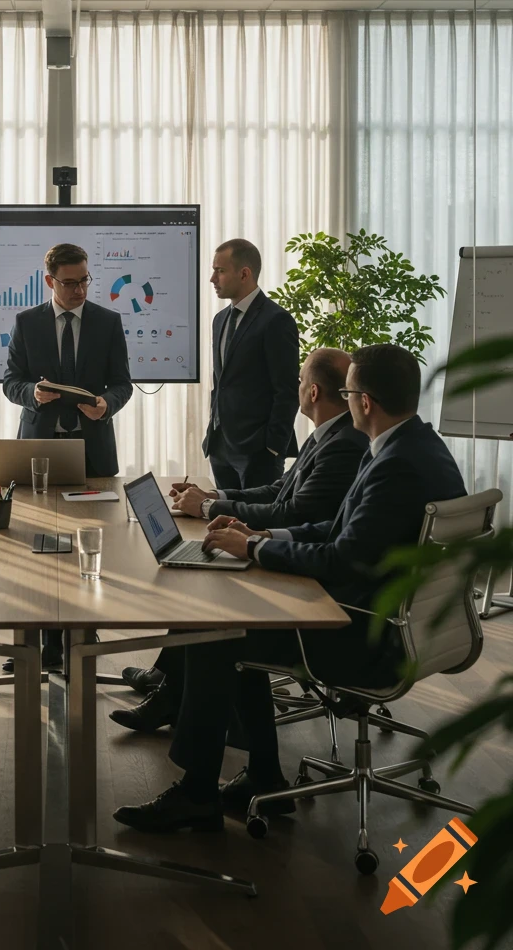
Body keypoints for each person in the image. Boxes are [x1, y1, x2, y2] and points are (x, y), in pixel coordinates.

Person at [113, 344, 466, 833]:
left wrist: (254, 552)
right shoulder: (414, 446)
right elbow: (339, 530)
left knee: (212, 632)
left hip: (365, 632)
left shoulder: (394, 463)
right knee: (230, 622)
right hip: (401, 622)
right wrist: (261, 538)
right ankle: (264, 779)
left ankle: (197, 793)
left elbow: (341, 558)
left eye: (350, 393)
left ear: (365, 401)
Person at [113, 348, 370, 727]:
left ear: (313, 393)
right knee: (198, 574)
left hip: (306, 575)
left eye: (299, 381)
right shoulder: (327, 435)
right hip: (296, 550)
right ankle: (168, 683)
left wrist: (212, 514)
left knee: (208, 602)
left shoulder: (344, 444)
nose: (295, 388)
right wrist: (217, 497)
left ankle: (171, 698)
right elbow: (280, 490)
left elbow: (290, 513)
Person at [2, 241, 133, 669]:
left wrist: (106, 404)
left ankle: (81, 641)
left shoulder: (108, 322)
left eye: (84, 281)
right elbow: (11, 381)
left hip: (92, 450)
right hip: (40, 449)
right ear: (50, 281)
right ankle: (36, 645)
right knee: (36, 546)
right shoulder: (27, 322)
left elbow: (122, 383)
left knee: (88, 545)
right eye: (70, 283)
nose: (79, 290)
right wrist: (31, 394)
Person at [202, 239, 300, 492]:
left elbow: (287, 390)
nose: (213, 278)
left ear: (244, 273)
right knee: (223, 522)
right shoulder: (220, 319)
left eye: (220, 271)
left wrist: (273, 447)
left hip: (258, 452)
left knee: (252, 526)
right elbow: (221, 383)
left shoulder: (277, 320)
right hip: (220, 446)